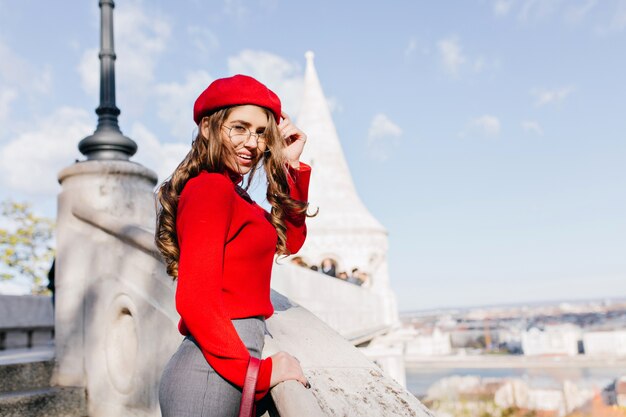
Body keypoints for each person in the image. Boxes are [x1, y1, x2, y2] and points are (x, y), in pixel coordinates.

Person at [156, 74, 314, 417]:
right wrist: (265, 373)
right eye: (239, 127)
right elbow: (195, 301)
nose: (252, 143)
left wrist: (290, 165)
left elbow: (291, 239)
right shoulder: (210, 188)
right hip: (211, 371)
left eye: (261, 132)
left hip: (224, 364)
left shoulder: (232, 193)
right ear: (209, 128)